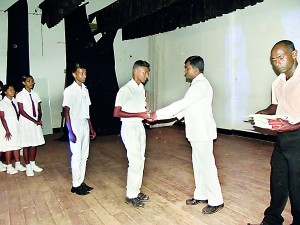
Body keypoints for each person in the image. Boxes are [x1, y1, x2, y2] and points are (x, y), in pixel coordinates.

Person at [150, 55, 224, 214]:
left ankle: (216, 200)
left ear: (196, 69)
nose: (185, 71)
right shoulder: (196, 85)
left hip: (202, 133)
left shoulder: (200, 86)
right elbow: (186, 109)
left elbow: (182, 104)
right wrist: (162, 117)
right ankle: (201, 194)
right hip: (197, 133)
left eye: (187, 68)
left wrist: (157, 114)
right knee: (198, 164)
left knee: (207, 166)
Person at [248, 40, 300, 225]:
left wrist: (292, 125)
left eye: (281, 57)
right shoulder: (277, 82)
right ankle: (271, 220)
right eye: (273, 60)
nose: (277, 62)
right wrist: (263, 113)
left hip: (298, 136)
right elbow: (276, 105)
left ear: (294, 54)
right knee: (277, 180)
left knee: (297, 185)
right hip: (282, 138)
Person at [113, 60, 152, 208]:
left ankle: (136, 190)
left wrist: (145, 116)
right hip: (129, 128)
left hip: (139, 127)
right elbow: (116, 113)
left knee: (140, 160)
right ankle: (131, 195)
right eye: (144, 72)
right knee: (135, 161)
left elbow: (141, 108)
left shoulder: (141, 88)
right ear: (136, 71)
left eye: (147, 73)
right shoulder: (125, 90)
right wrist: (139, 114)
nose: (146, 76)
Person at [63, 64, 96, 196]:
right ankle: (75, 185)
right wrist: (70, 131)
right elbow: (66, 112)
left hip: (84, 124)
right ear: (74, 74)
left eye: (85, 73)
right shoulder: (69, 91)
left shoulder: (85, 90)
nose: (84, 76)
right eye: (81, 73)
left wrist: (91, 128)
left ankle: (80, 181)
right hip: (75, 124)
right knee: (76, 156)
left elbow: (87, 112)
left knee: (84, 155)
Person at [17, 75, 45, 177]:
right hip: (26, 122)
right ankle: (28, 166)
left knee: (34, 143)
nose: (31, 83)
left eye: (32, 81)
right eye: (28, 81)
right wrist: (34, 120)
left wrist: (39, 119)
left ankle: (33, 164)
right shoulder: (20, 95)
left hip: (35, 122)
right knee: (26, 144)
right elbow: (21, 111)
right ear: (24, 83)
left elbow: (39, 109)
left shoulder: (35, 94)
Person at [0, 84, 26, 174]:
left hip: (16, 127)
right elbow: (2, 118)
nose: (13, 91)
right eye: (10, 89)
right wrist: (7, 130)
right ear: (5, 92)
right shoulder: (2, 103)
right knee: (9, 147)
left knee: (16, 146)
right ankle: (9, 166)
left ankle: (18, 164)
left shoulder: (14, 101)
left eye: (13, 89)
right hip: (7, 128)